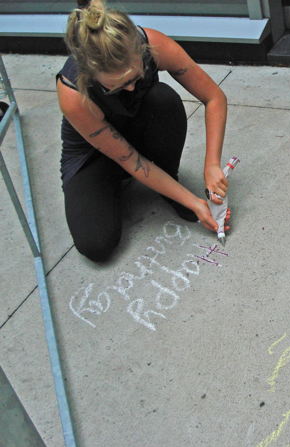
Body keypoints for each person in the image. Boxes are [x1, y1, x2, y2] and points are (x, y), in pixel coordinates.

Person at [56, 0, 230, 262]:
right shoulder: (73, 93)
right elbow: (131, 161)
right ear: (91, 74)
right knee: (96, 245)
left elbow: (214, 97)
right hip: (94, 155)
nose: (129, 89)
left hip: (138, 125)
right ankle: (109, 185)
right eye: (115, 87)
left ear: (141, 51)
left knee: (162, 99)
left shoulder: (154, 44)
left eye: (134, 78)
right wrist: (194, 202)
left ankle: (166, 181)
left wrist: (212, 165)